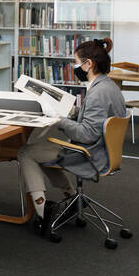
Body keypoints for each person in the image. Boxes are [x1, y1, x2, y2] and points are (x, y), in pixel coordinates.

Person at [17, 38, 126, 240]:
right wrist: (73, 112)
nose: (75, 67)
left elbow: (86, 134)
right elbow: (96, 122)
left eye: (76, 63)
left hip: (90, 154)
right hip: (104, 150)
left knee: (26, 152)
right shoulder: (109, 86)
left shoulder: (97, 93)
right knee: (44, 151)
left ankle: (42, 216)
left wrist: (58, 120)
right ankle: (72, 198)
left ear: (89, 64)